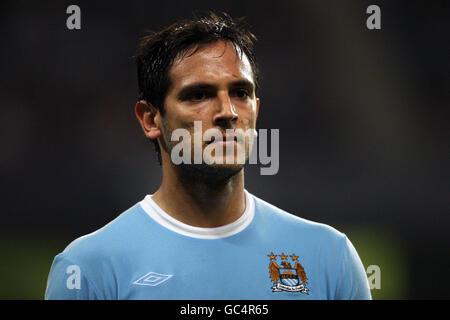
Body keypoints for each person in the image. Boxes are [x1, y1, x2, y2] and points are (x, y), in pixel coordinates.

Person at [45, 12, 371, 300]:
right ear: (150, 119)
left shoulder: (329, 258)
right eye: (199, 94)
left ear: (256, 111)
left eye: (241, 93)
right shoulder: (89, 270)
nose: (227, 112)